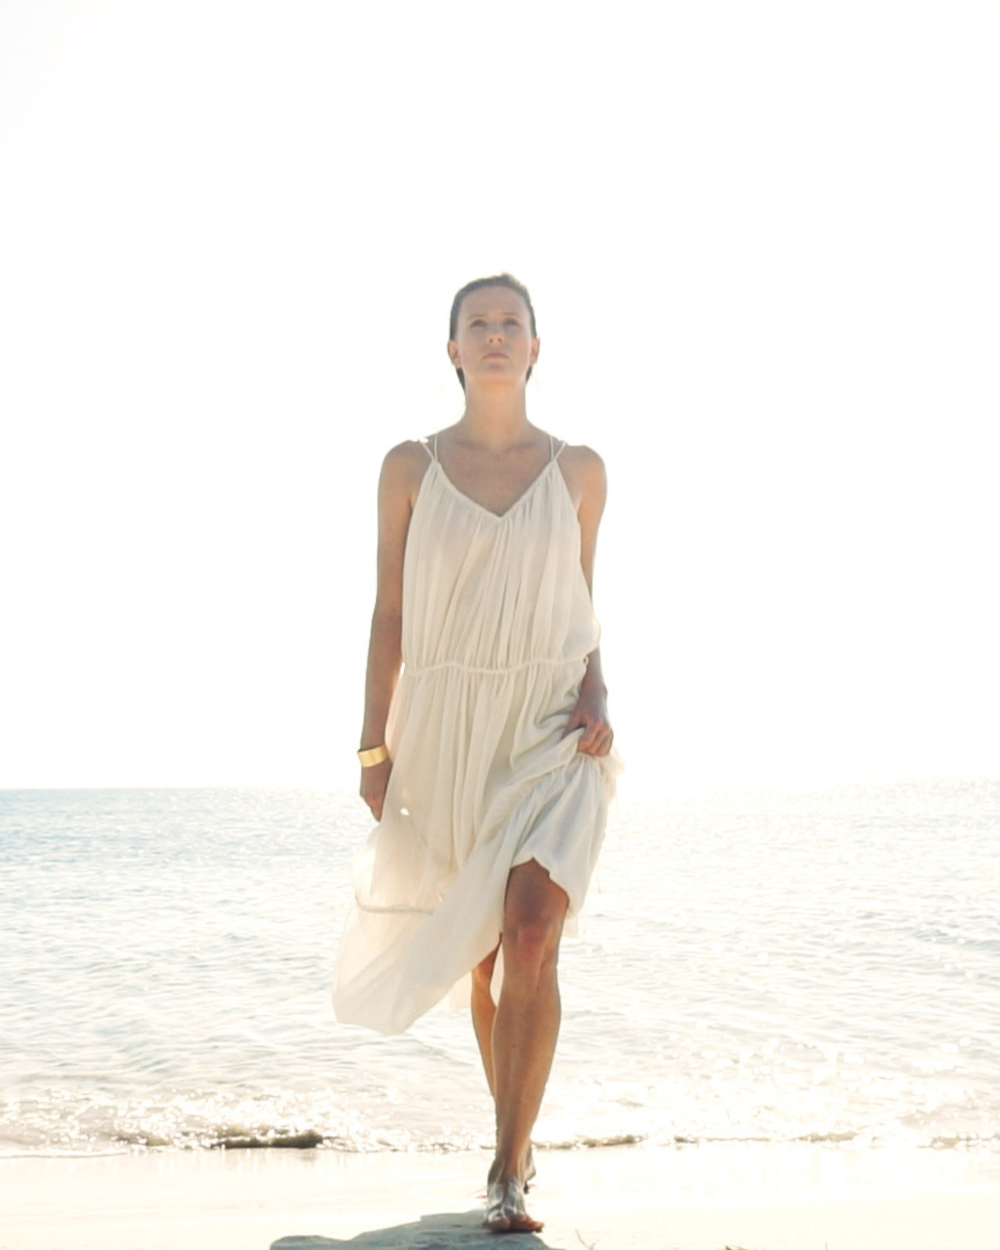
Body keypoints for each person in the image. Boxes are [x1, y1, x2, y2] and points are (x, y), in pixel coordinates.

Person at [333, 273, 619, 1233]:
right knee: (490, 959)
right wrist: (373, 747)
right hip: (450, 732)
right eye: (478, 324)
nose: (496, 335)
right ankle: (517, 1137)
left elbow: (579, 602)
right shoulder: (409, 468)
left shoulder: (580, 472)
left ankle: (505, 1174)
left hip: (553, 726)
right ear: (453, 350)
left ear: (536, 347)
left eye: (512, 323)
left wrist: (598, 690)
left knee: (534, 929)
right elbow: (388, 612)